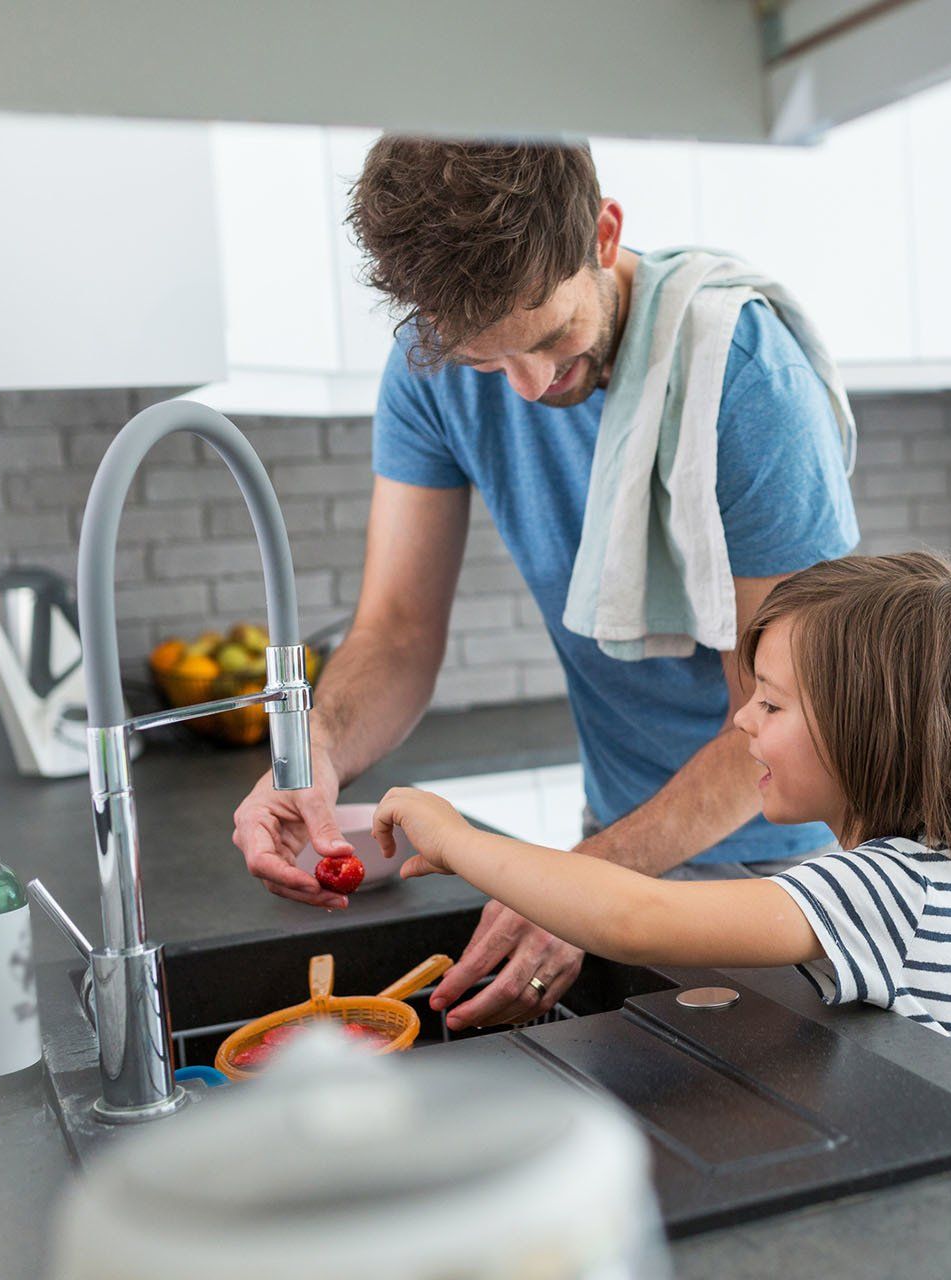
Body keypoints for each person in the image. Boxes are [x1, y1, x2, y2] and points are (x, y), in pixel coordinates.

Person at [230, 137, 859, 1030]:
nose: (527, 387)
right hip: (611, 842)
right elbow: (397, 631)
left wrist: (582, 884)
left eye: (552, 336)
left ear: (604, 235)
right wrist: (317, 753)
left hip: (779, 873)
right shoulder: (430, 368)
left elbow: (792, 718)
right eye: (489, 361)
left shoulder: (743, 377)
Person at [370, 553, 951, 1060]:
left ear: (867, 732)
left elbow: (632, 916)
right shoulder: (912, 872)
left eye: (771, 703)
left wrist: (459, 842)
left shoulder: (888, 888)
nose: (743, 719)